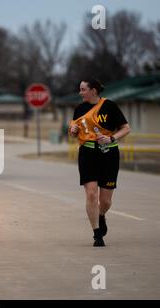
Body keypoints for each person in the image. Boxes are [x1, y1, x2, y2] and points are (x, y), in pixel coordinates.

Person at [69, 79, 131, 247]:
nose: (80, 93)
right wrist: (73, 131)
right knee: (91, 194)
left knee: (105, 201)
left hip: (109, 153)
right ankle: (97, 234)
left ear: (94, 91)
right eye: (80, 89)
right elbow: (74, 131)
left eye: (83, 89)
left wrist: (110, 138)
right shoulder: (80, 109)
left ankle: (101, 215)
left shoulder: (109, 106)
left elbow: (126, 128)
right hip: (87, 153)